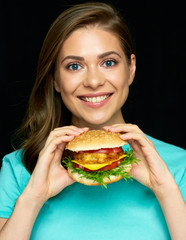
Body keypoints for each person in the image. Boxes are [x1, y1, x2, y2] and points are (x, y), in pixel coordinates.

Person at [0, 2, 185, 239]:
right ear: (56, 79)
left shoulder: (180, 166)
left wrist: (165, 189)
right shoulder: (18, 168)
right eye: (74, 66)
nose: (94, 81)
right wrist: (33, 197)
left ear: (131, 69)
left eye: (108, 63)